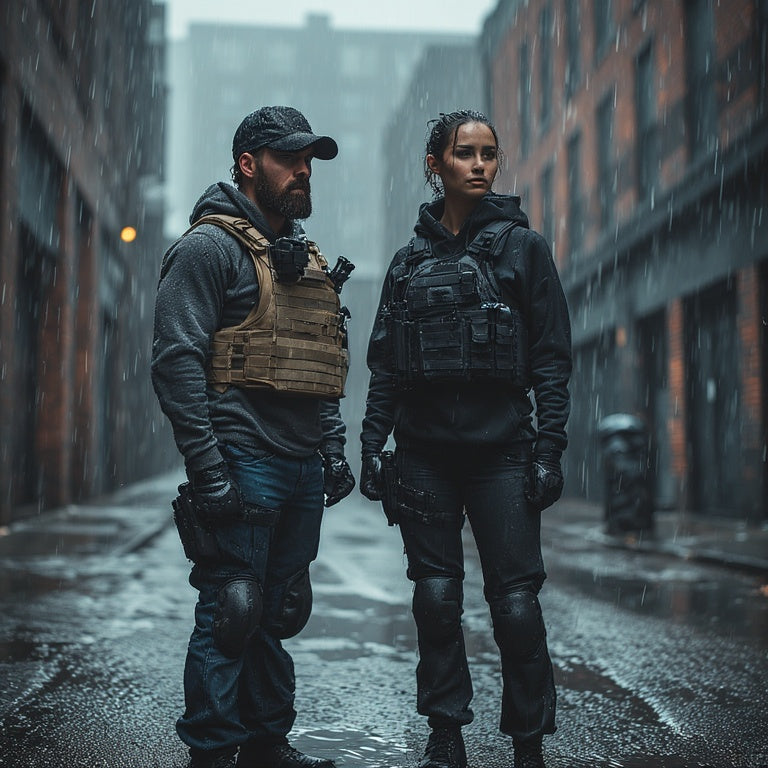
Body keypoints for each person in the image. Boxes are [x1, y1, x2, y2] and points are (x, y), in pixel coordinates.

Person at [359, 110, 572, 768]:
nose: (480, 165)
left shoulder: (524, 250)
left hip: (503, 454)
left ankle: (527, 744)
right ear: (436, 165)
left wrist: (549, 450)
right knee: (435, 599)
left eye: (489, 154)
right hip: (423, 456)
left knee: (516, 606)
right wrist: (370, 446)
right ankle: (445, 732)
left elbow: (552, 360)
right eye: (464, 153)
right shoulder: (407, 263)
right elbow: (386, 367)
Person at [151, 106, 355, 768]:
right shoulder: (207, 248)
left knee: (279, 610)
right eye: (289, 159)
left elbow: (318, 362)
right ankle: (212, 753)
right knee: (233, 609)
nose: (304, 171)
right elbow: (176, 362)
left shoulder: (305, 256)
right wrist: (208, 470)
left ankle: (267, 746)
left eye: (309, 161)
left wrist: (332, 448)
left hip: (301, 465)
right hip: (242, 460)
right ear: (247, 164)